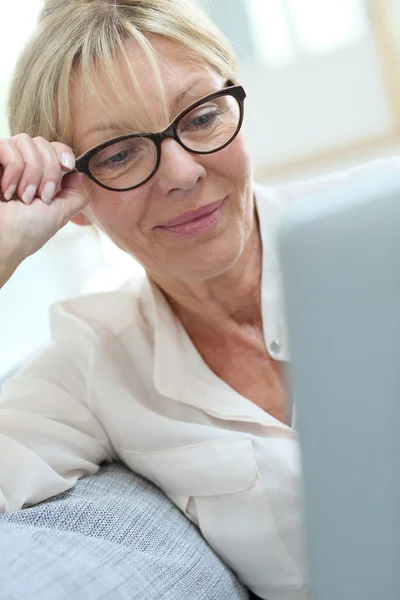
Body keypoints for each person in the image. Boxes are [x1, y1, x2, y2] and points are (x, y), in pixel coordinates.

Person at [1, 0, 396, 598]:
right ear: (70, 196)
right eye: (119, 154)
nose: (181, 173)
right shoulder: (93, 364)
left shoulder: (379, 231)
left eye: (202, 116)